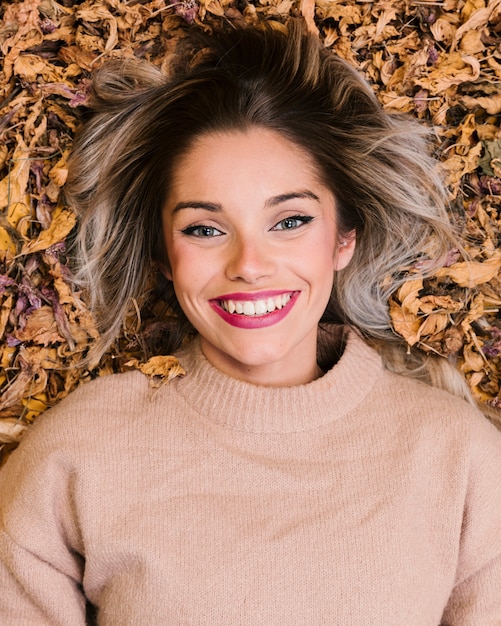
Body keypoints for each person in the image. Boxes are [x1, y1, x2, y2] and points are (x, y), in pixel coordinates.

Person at [0, 19, 500, 625]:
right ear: (163, 253)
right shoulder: (74, 457)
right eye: (205, 229)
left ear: (344, 237)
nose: (250, 266)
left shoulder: (459, 456)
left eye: (289, 221)